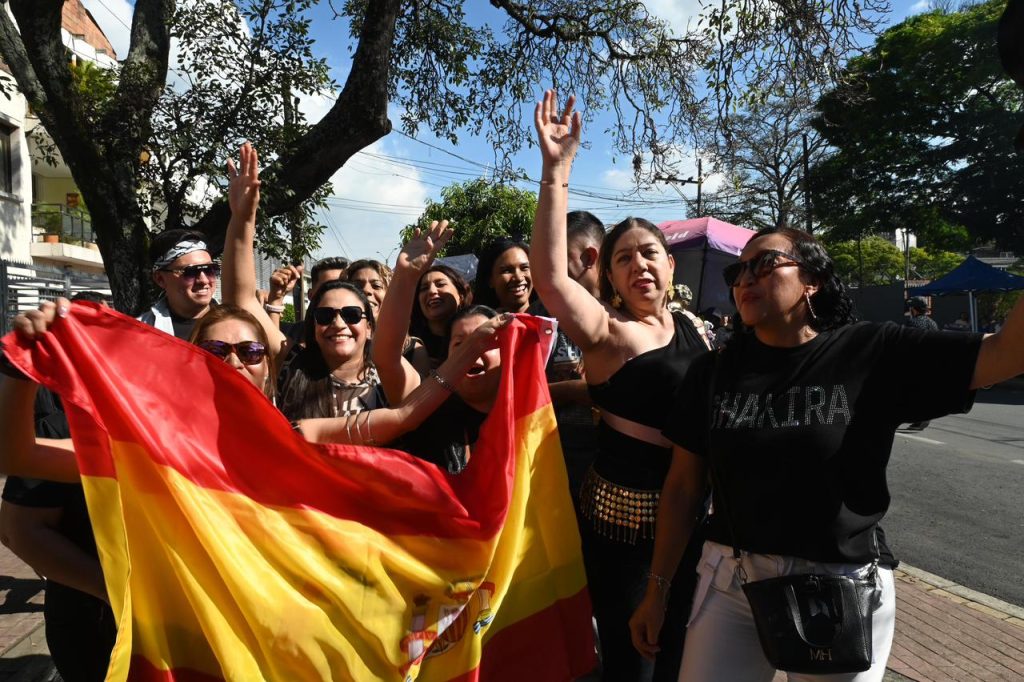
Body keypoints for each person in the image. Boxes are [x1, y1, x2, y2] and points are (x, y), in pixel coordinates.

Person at [630, 226, 1024, 681]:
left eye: (765, 264)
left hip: (840, 590)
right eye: (739, 271)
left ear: (812, 279)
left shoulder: (872, 351)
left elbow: (1008, 354)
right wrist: (656, 591)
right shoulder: (714, 372)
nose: (745, 280)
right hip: (729, 581)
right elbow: (682, 486)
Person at [530, 90, 709, 681]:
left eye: (650, 254)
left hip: (697, 523)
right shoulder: (607, 335)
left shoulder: (697, 329)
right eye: (624, 258)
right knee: (634, 659)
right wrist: (557, 172)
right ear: (606, 274)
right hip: (625, 531)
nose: (640, 266)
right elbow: (552, 277)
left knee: (686, 653)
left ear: (671, 265)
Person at [0, 292, 114, 682]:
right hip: (89, 618)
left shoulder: (161, 425)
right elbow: (16, 530)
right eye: (81, 337)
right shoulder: (61, 427)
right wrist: (106, 587)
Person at [527, 210, 604, 507]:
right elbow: (518, 389)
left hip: (616, 468)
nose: (545, 273)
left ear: (588, 257)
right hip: (552, 465)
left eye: (554, 260)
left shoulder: (625, 313)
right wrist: (572, 391)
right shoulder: (536, 316)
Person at [345, 259, 430, 373]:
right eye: (357, 285)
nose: (366, 290)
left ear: (390, 294)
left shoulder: (414, 350)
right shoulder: (334, 340)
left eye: (376, 286)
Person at [139, 228, 219, 339]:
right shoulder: (140, 332)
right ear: (160, 279)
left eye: (209, 269)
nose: (204, 280)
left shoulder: (238, 324)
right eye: (190, 272)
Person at [407, 262, 473, 368]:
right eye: (424, 288)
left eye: (440, 284)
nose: (432, 291)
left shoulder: (477, 334)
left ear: (460, 295)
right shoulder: (409, 346)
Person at [473, 238, 536, 313]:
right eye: (507, 271)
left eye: (524, 268)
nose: (518, 278)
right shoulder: (481, 323)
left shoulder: (551, 316)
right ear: (490, 279)